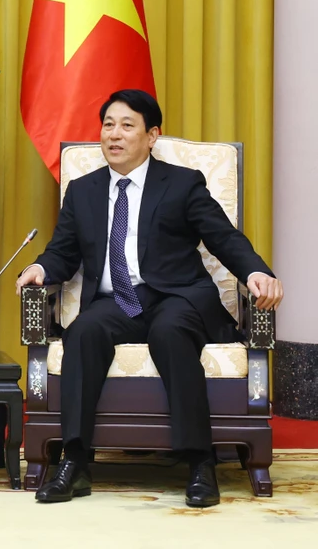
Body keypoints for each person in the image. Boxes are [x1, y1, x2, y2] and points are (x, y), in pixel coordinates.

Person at [17, 89, 283, 508]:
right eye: (108, 125)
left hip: (175, 296)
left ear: (151, 135)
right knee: (83, 330)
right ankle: (76, 462)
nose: (114, 135)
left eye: (127, 125)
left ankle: (199, 462)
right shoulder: (83, 190)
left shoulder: (181, 183)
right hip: (117, 301)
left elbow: (222, 236)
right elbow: (63, 250)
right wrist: (41, 269)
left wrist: (255, 271)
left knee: (170, 331)